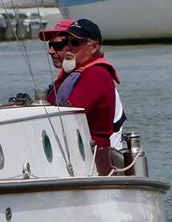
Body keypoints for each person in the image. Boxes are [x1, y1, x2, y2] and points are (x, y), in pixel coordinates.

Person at [39, 18, 126, 150]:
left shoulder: (96, 74)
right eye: (66, 42)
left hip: (91, 157)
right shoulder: (74, 74)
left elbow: (70, 116)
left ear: (94, 47)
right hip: (74, 150)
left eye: (75, 42)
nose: (69, 48)